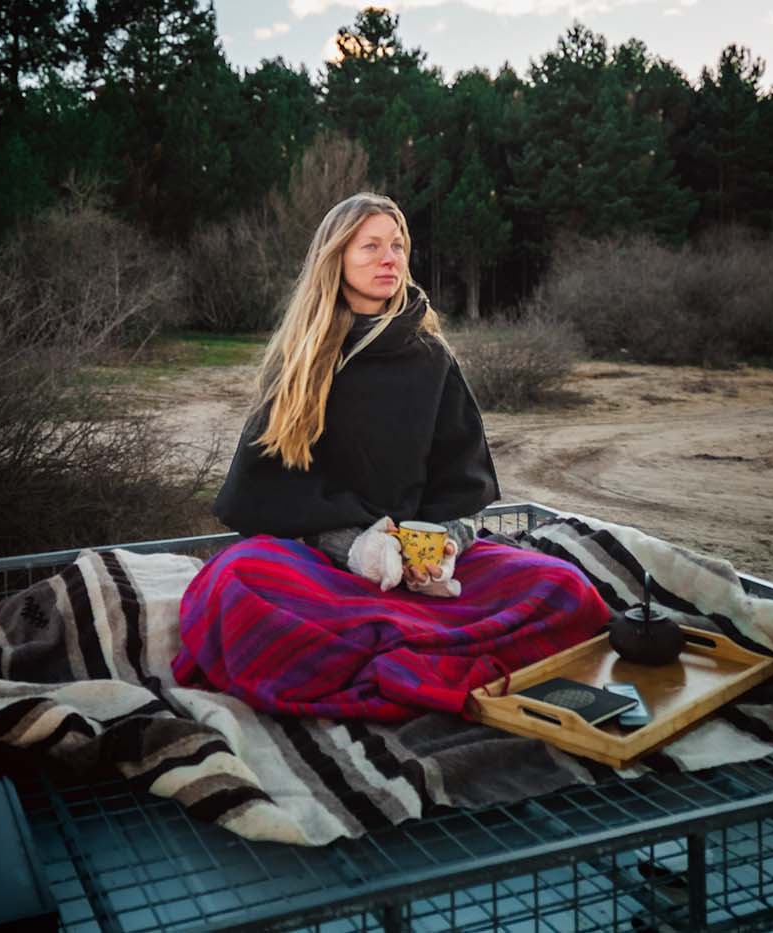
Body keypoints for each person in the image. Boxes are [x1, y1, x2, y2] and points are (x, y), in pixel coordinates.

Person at [172, 193, 609, 721]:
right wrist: (357, 548)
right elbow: (266, 495)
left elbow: (462, 486)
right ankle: (412, 646)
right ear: (336, 258)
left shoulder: (432, 359)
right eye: (371, 246)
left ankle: (384, 642)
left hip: (425, 576)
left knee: (562, 586)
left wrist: (446, 546)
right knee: (237, 580)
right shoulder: (302, 360)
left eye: (397, 246)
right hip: (323, 568)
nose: (389, 259)